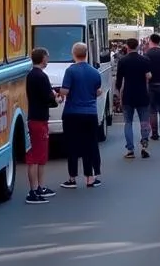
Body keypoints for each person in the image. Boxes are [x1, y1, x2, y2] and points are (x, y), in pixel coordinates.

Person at [59, 42, 103, 189]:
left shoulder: (70, 71)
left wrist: (58, 94)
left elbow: (65, 91)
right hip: (90, 113)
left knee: (72, 145)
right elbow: (97, 91)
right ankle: (90, 177)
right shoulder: (95, 72)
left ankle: (72, 178)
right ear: (86, 54)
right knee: (90, 145)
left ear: (73, 54)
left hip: (72, 113)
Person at [24, 47, 59, 204]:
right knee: (36, 157)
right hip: (39, 119)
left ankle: (39, 187)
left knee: (40, 156)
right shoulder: (41, 77)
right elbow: (49, 97)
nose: (48, 59)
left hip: (35, 116)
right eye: (47, 56)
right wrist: (56, 99)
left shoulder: (31, 75)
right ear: (43, 58)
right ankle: (33, 190)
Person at [115, 37, 153, 159]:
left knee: (128, 123)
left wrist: (117, 96)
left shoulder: (123, 61)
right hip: (142, 94)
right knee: (144, 121)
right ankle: (144, 144)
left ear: (127, 46)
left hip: (128, 94)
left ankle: (130, 149)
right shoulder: (145, 60)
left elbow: (119, 81)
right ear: (137, 46)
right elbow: (149, 75)